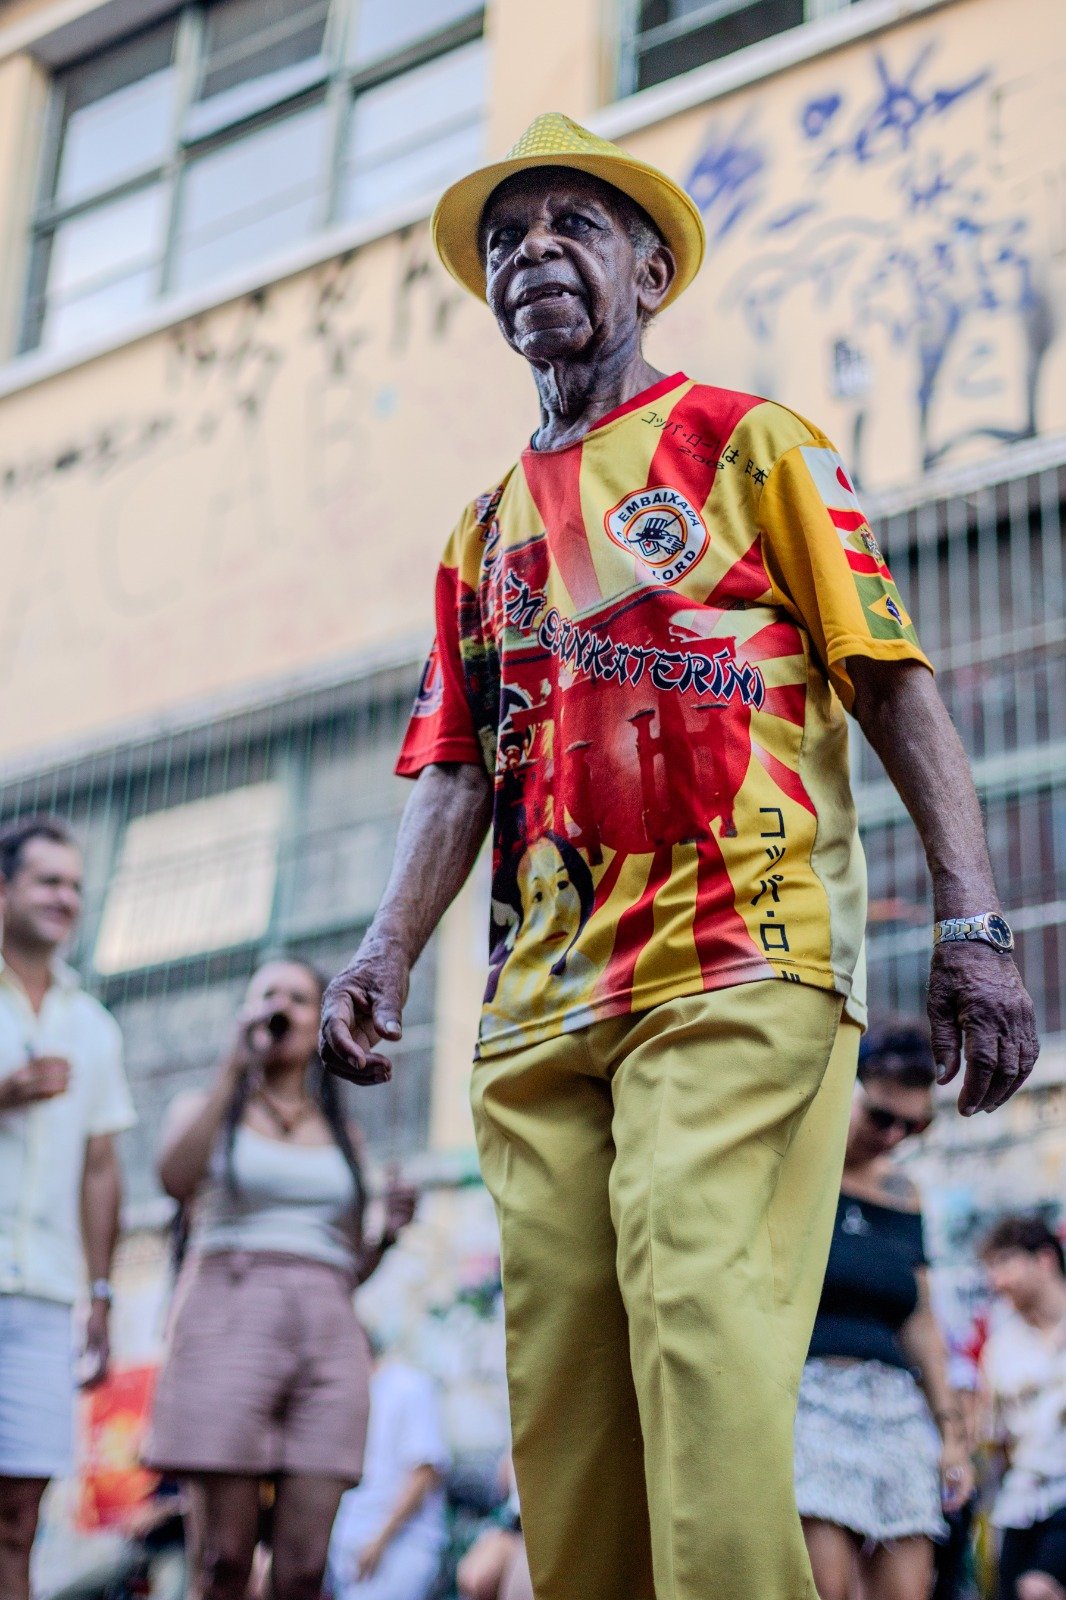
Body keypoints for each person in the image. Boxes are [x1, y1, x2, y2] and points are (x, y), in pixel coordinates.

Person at [319, 114, 1039, 1600]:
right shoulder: (479, 532)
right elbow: (456, 765)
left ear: (649, 272)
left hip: (739, 953)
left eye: (570, 226)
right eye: (505, 239)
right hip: (540, 1000)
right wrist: (384, 948)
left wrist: (972, 924)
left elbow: (890, 680)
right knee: (568, 1397)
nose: (532, 254)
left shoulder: (751, 443)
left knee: (697, 1313)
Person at [142, 956, 416, 1600]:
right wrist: (231, 1069)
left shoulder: (342, 1135)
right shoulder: (209, 1108)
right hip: (227, 1323)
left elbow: (348, 1269)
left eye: (298, 997)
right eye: (268, 994)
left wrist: (388, 1234)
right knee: (223, 1561)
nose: (281, 1007)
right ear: (247, 1012)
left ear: (321, 1019)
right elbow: (174, 1179)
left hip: (327, 1336)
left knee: (304, 1568)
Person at [0, 815, 135, 1600]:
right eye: (48, 880)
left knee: (20, 1519)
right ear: (4, 889)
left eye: (77, 886)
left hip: (45, 1295)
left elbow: (101, 1168)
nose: (66, 898)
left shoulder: (93, 1026)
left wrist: (101, 1293)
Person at [796, 1019, 974, 1600]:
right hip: (810, 1398)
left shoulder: (904, 1193)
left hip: (896, 1406)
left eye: (913, 1125)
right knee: (827, 1586)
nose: (895, 1135)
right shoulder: (797, 1166)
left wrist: (951, 1433)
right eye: (881, 1116)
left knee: (908, 1589)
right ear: (848, 1087)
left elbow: (920, 1318)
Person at [979, 1215, 1066, 1600]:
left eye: (1004, 1264)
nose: (996, 1281)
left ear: (1044, 1259)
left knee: (1037, 1588)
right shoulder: (1000, 1348)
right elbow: (993, 1439)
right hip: (1021, 1504)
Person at [326, 1345, 450, 1600]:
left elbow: (424, 1473)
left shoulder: (408, 1386)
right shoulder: (345, 1394)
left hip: (398, 1551)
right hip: (347, 1558)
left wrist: (379, 1541)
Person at [457, 1459, 533, 1600]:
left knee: (484, 1578)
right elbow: (503, 1482)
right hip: (514, 1525)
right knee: (472, 1577)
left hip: (535, 1532)